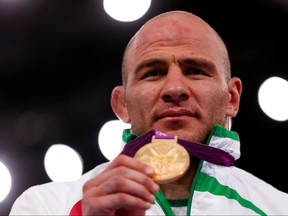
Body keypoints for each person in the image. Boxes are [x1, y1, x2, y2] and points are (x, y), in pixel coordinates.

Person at [9, 10, 288, 215]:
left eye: (196, 71)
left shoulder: (278, 208)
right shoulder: (46, 205)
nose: (175, 87)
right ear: (122, 104)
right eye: (153, 73)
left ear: (232, 97)